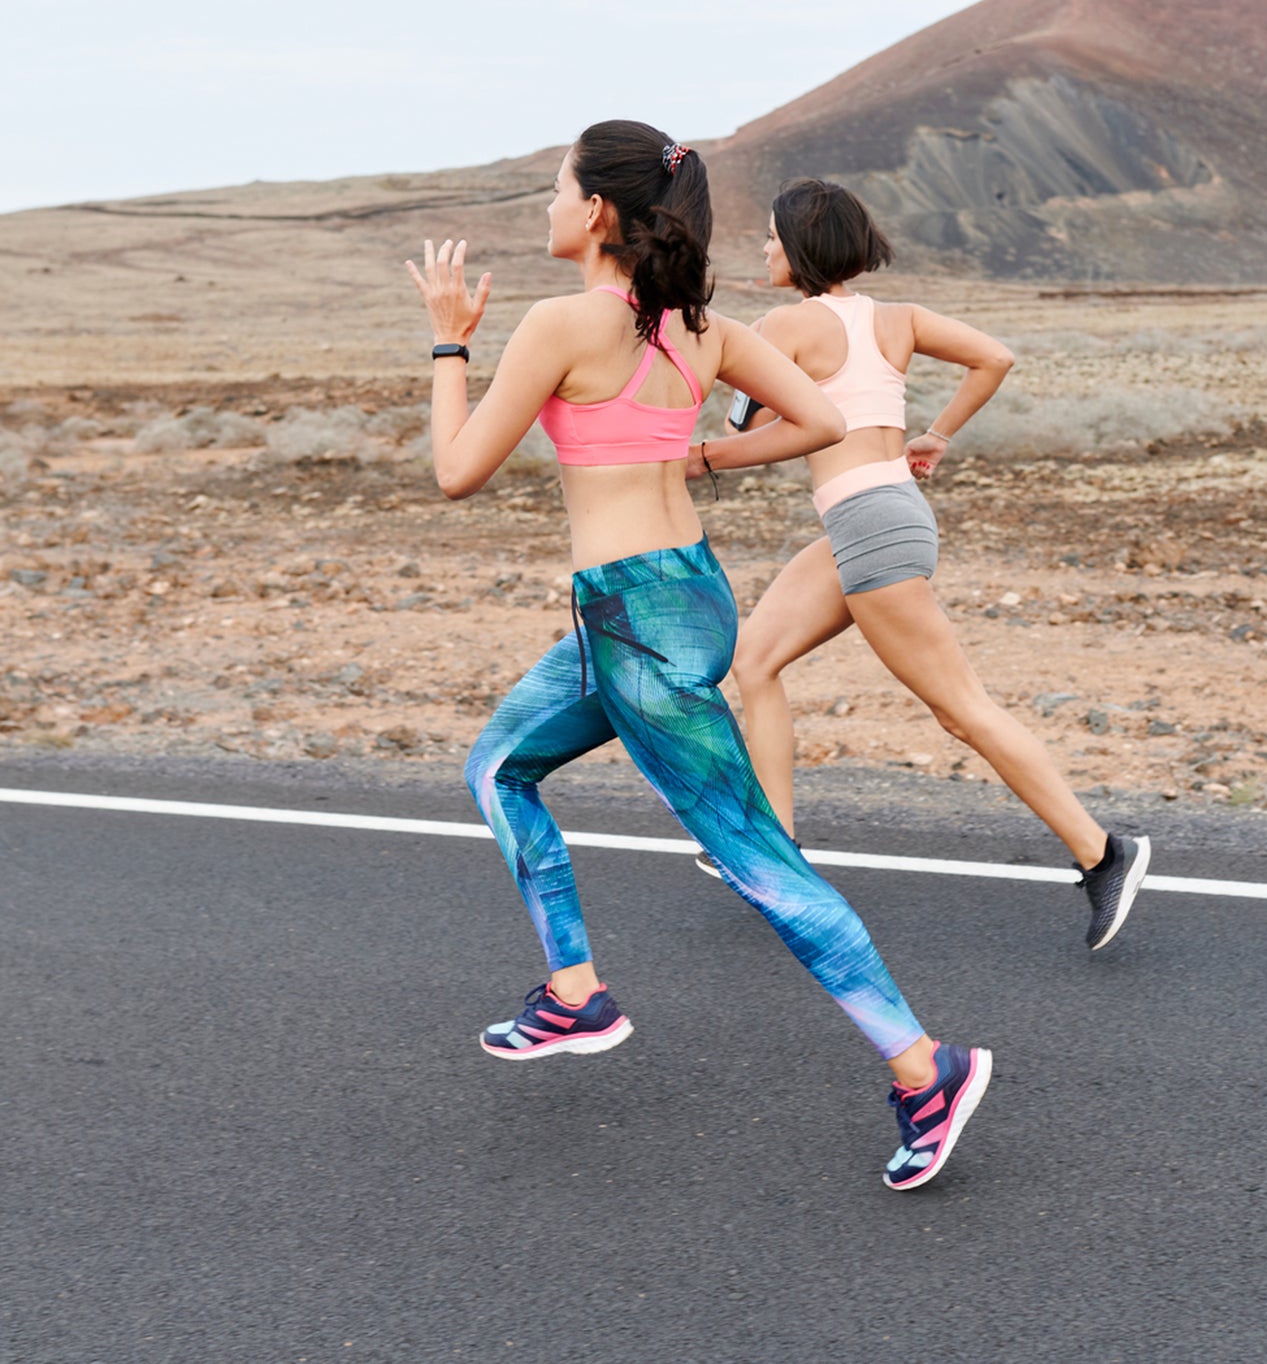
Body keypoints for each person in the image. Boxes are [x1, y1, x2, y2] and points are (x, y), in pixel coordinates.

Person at [405, 122, 990, 1191]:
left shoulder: (560, 323)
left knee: (758, 859)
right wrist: (706, 451)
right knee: (499, 765)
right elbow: (817, 418)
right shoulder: (698, 327)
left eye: (555, 188)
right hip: (670, 601)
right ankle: (574, 991)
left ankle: (925, 1068)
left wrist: (448, 342)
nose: (546, 205)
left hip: (635, 621)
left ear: (595, 213)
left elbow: (457, 471)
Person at [688, 178, 1150, 949]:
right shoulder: (895, 318)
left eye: (770, 236)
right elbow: (994, 356)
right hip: (879, 515)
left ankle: (1104, 853)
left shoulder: (784, 325)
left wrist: (697, 456)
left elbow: (751, 426)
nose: (762, 248)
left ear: (799, 244)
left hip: (870, 526)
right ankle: (775, 853)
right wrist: (936, 433)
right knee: (756, 659)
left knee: (959, 707)